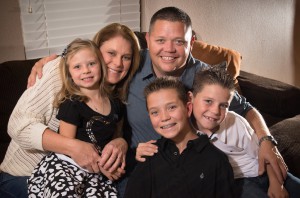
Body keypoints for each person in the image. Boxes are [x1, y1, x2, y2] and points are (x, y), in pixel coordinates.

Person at [26, 7, 287, 197]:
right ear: (148, 40)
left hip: (203, 166)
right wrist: (58, 58)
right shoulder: (132, 64)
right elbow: (96, 58)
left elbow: (246, 108)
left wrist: (266, 141)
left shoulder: (204, 76)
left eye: (179, 42)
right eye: (160, 40)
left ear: (191, 42)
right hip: (144, 168)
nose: (169, 49)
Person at [0, 23, 140, 197]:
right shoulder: (60, 71)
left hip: (89, 173)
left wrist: (121, 142)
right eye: (111, 53)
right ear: (95, 50)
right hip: (26, 174)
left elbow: (110, 130)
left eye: (126, 57)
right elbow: (17, 125)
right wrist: (74, 148)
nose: (118, 63)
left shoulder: (113, 93)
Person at [28, 38, 124, 197]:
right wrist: (100, 165)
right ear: (70, 74)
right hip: (66, 165)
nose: (86, 70)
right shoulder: (72, 103)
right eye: (77, 67)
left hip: (94, 171)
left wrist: (110, 164)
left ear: (101, 65)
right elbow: (67, 146)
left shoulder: (115, 103)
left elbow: (114, 137)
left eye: (91, 64)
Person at [189, 66, 300, 198]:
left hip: (264, 171)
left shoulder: (235, 123)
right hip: (239, 182)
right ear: (190, 98)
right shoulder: (184, 131)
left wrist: (277, 184)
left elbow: (264, 155)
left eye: (223, 105)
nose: (215, 111)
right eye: (208, 101)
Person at [124, 76, 234, 198]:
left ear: (188, 108)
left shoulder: (216, 161)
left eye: (172, 107)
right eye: (155, 112)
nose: (164, 117)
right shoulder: (150, 154)